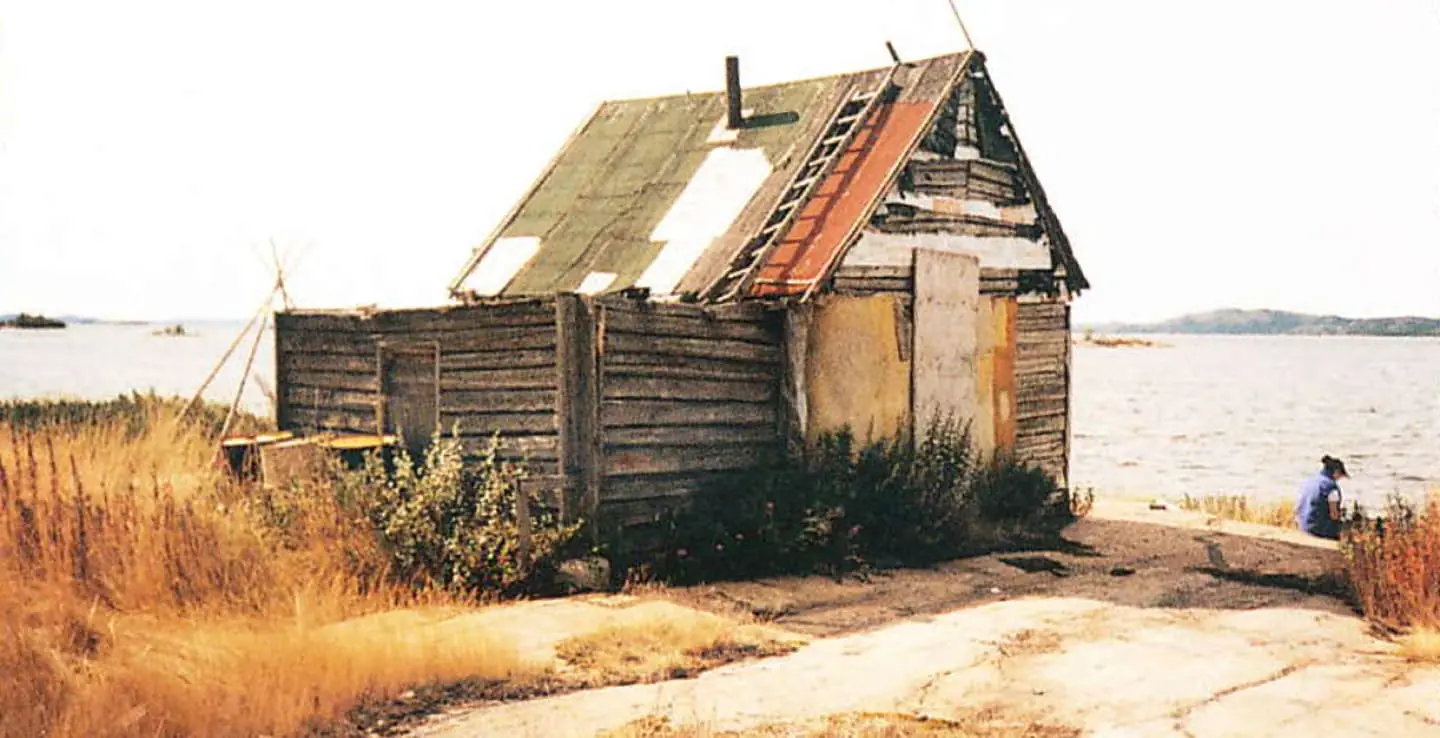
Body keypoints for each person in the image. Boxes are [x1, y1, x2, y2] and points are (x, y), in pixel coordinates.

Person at [1295, 456, 1348, 539]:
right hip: (1316, 530)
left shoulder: (1310, 480)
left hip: (1301, 525)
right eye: (1340, 476)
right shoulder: (1331, 487)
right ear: (1336, 472)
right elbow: (1334, 515)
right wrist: (1342, 514)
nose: (1339, 479)